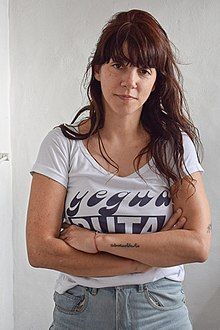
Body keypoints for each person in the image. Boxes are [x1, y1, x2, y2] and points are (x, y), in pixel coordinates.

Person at [26, 9, 212, 330]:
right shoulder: (63, 143)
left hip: (159, 308)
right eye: (119, 65)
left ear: (156, 81)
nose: (131, 81)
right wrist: (141, 260)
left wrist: (99, 242)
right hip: (81, 309)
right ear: (98, 70)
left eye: (144, 70)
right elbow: (41, 250)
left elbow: (197, 245)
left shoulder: (174, 145)